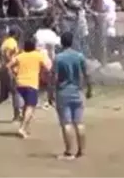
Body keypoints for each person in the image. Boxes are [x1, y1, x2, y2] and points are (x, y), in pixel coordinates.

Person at [53, 31, 92, 160]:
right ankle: (82, 151)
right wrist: (89, 89)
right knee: (79, 123)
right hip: (77, 91)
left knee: (66, 123)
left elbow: (54, 77)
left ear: (61, 43)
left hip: (63, 92)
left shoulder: (58, 58)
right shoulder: (79, 56)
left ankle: (69, 152)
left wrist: (49, 92)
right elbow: (86, 74)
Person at [6, 37, 50, 138]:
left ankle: (25, 127)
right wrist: (44, 75)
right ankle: (22, 128)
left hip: (20, 84)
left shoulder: (20, 56)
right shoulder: (38, 55)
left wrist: (14, 73)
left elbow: (8, 66)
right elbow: (47, 67)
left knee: (27, 105)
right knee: (31, 107)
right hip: (31, 84)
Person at [34, 16, 60, 109]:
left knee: (39, 81)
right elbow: (57, 43)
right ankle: (51, 100)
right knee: (51, 80)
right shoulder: (50, 33)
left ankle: (36, 100)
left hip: (37, 57)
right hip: (46, 58)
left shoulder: (38, 32)